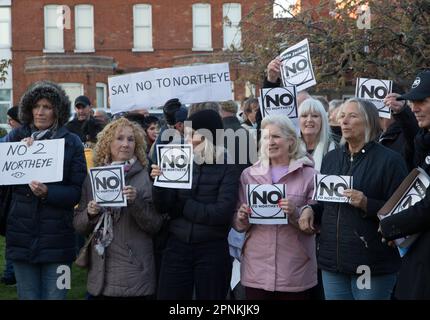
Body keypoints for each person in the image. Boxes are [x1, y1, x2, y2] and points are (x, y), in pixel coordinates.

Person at [299, 98, 408, 300]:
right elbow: (324, 203)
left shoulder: (390, 161)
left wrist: (368, 203)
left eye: (352, 116)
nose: (344, 121)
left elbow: (404, 212)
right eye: (342, 116)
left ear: (369, 122)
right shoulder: (331, 159)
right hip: (333, 263)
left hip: (371, 263)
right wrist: (310, 210)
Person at [2, 81, 87, 299]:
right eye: (36, 106)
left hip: (60, 241)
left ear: (57, 111)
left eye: (47, 107)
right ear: (29, 109)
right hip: (21, 238)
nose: (40, 112)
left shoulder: (72, 142)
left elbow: (76, 193)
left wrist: (48, 193)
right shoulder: (14, 138)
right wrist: (22, 153)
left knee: (58, 295)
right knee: (27, 296)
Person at [151, 109, 240, 300]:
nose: (187, 139)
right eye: (187, 134)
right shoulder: (180, 161)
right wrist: (159, 183)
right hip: (177, 245)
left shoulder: (228, 167)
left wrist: (184, 206)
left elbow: (221, 213)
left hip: (212, 249)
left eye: (192, 134)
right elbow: (163, 207)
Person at [73, 117, 162, 299]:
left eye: (131, 139)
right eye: (119, 138)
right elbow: (79, 226)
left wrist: (135, 201)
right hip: (100, 274)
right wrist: (89, 213)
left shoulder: (146, 177)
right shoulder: (94, 178)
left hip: (134, 273)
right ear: (108, 143)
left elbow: (155, 225)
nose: (125, 144)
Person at [233, 115, 317, 300]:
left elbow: (315, 225)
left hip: (295, 270)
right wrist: (241, 217)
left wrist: (295, 212)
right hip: (257, 270)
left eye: (276, 136)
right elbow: (238, 224)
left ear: (291, 141)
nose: (270, 142)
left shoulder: (310, 175)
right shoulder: (248, 175)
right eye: (265, 137)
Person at [379, 69, 430, 299]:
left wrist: (392, 226)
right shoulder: (424, 138)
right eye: (412, 101)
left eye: (422, 101)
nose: (414, 107)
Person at [299, 98, 336, 171]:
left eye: (315, 116)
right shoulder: (290, 148)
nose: (309, 120)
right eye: (304, 116)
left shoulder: (335, 148)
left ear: (323, 120)